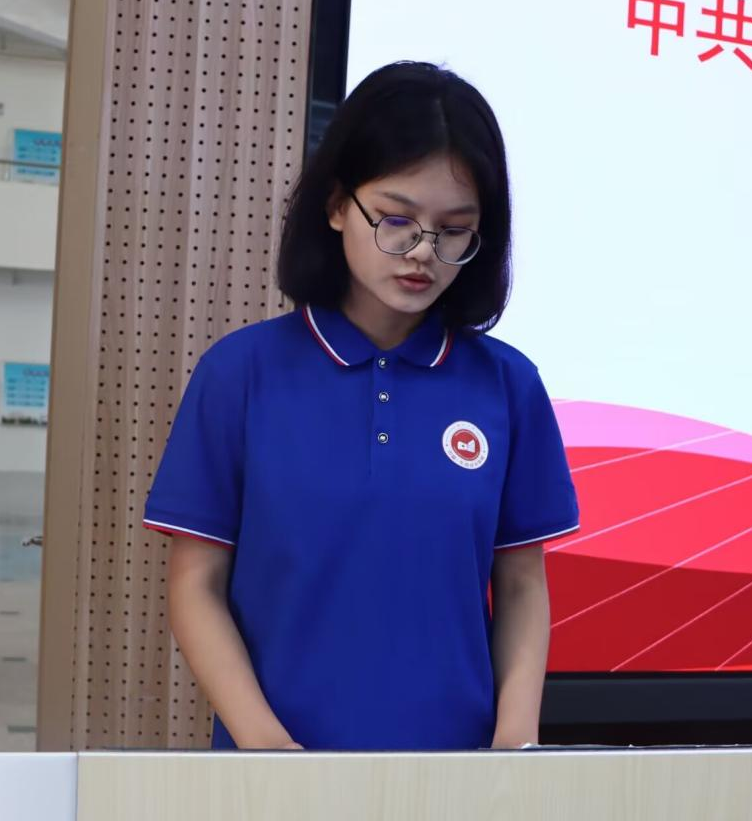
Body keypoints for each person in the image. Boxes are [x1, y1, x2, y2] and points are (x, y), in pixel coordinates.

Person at [144, 61, 579, 751]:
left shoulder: (509, 385)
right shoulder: (240, 373)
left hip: (460, 776)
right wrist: (267, 749)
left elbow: (522, 585)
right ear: (338, 205)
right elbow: (196, 584)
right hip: (274, 770)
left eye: (453, 230)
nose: (423, 253)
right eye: (397, 220)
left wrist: (514, 747)